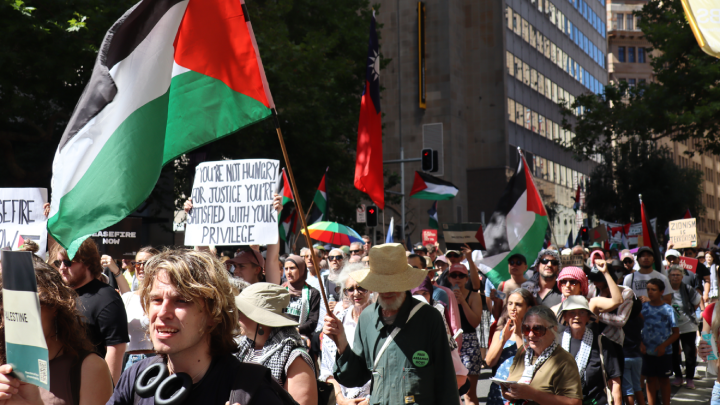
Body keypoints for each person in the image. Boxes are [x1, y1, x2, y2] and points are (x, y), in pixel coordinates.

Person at [108, 249, 290, 404]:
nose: (163, 313)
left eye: (181, 301)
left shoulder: (251, 390)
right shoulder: (136, 377)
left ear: (213, 313)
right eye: (156, 300)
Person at [323, 243, 460, 404]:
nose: (387, 290)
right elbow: (355, 377)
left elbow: (446, 381)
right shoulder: (367, 318)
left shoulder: (429, 318)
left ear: (405, 283)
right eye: (381, 284)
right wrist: (341, 342)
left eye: (394, 283)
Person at [0, 262, 114, 404]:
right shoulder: (4, 369)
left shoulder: (89, 368)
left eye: (28, 308)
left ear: (54, 305)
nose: (21, 319)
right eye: (10, 310)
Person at [51, 239, 128, 385]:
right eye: (58, 263)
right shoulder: (62, 295)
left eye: (67, 262)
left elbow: (116, 350)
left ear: (86, 262)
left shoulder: (107, 298)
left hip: (89, 386)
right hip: (61, 384)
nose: (61, 268)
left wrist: (106, 394)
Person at [236, 283, 318, 405]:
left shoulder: (295, 359)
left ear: (259, 319)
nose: (236, 317)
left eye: (241, 312)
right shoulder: (242, 349)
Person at [502, 305, 583, 405]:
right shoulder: (523, 352)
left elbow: (575, 403)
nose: (531, 335)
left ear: (554, 330)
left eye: (538, 329)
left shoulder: (564, 360)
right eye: (526, 329)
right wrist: (509, 393)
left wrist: (533, 394)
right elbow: (509, 387)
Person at [320, 264, 373, 404]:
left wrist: (370, 400)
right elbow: (327, 369)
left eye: (361, 287)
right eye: (350, 289)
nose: (356, 293)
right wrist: (341, 399)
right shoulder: (337, 322)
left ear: (371, 287)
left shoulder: (381, 320)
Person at [557, 296, 623, 405]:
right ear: (565, 316)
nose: (576, 317)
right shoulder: (556, 342)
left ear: (588, 317)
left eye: (582, 313)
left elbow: (615, 381)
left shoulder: (601, 342)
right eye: (572, 313)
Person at [485, 288, 536, 405]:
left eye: (518, 305)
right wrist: (503, 340)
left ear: (528, 308)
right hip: (497, 392)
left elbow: (527, 362)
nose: (513, 308)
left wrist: (518, 333)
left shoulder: (535, 334)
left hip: (521, 394)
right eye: (510, 303)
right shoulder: (500, 332)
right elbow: (489, 362)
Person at [447, 263, 484, 405]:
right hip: (451, 343)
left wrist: (463, 302)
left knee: (469, 393)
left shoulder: (474, 296)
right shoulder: (445, 295)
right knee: (450, 390)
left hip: (469, 342)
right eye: (454, 275)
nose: (457, 278)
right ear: (449, 278)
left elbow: (475, 322)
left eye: (461, 275)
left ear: (467, 279)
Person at [121, 247, 160, 371]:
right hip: (128, 363)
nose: (141, 267)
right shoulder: (127, 298)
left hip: (155, 360)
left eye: (146, 263)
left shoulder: (161, 299)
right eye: (137, 263)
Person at [641, 278, 679, 405]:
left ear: (662, 291)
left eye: (654, 290)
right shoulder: (643, 308)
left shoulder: (668, 310)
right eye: (648, 290)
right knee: (650, 380)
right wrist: (640, 343)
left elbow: (675, 333)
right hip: (647, 352)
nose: (650, 292)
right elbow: (636, 328)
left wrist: (663, 346)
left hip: (664, 352)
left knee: (664, 380)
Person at [666, 265, 701, 389]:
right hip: (671, 327)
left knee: (689, 353)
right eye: (673, 275)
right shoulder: (664, 290)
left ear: (682, 277)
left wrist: (688, 313)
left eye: (678, 275)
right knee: (674, 353)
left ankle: (690, 379)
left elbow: (697, 302)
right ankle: (678, 377)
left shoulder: (688, 289)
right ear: (668, 276)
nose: (675, 277)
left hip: (688, 326)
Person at [552, 264, 623, 314]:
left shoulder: (592, 304)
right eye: (563, 281)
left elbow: (618, 301)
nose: (567, 285)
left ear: (581, 286)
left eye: (573, 282)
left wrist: (605, 272)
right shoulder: (555, 310)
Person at [281, 255, 321, 339]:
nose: (288, 272)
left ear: (302, 270)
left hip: (302, 339)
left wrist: (297, 330)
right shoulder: (281, 290)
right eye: (286, 268)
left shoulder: (313, 293)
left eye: (292, 268)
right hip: (280, 336)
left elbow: (312, 321)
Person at [487, 253, 528, 319]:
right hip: (504, 325)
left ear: (525, 267)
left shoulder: (531, 285)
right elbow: (496, 315)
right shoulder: (502, 285)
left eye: (518, 262)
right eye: (511, 263)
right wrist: (495, 301)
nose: (514, 265)